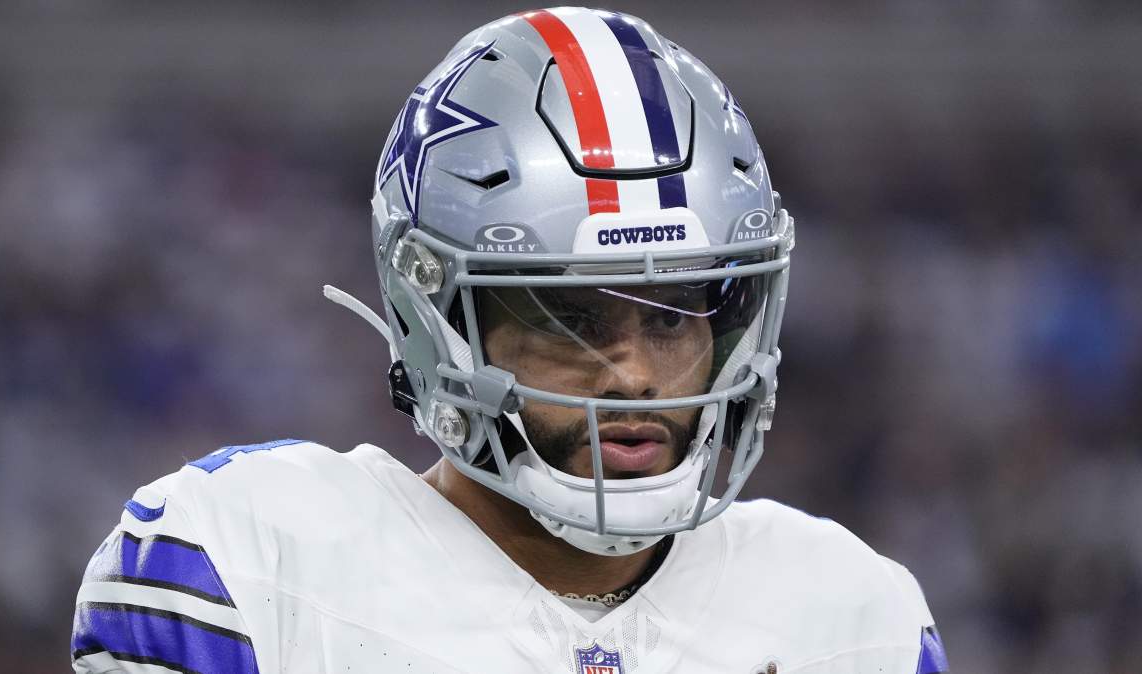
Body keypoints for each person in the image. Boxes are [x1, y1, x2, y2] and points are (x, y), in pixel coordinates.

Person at [71, 8, 949, 673]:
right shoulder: (246, 566)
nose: (635, 377)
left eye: (672, 315)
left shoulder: (852, 618)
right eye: (572, 320)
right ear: (439, 321)